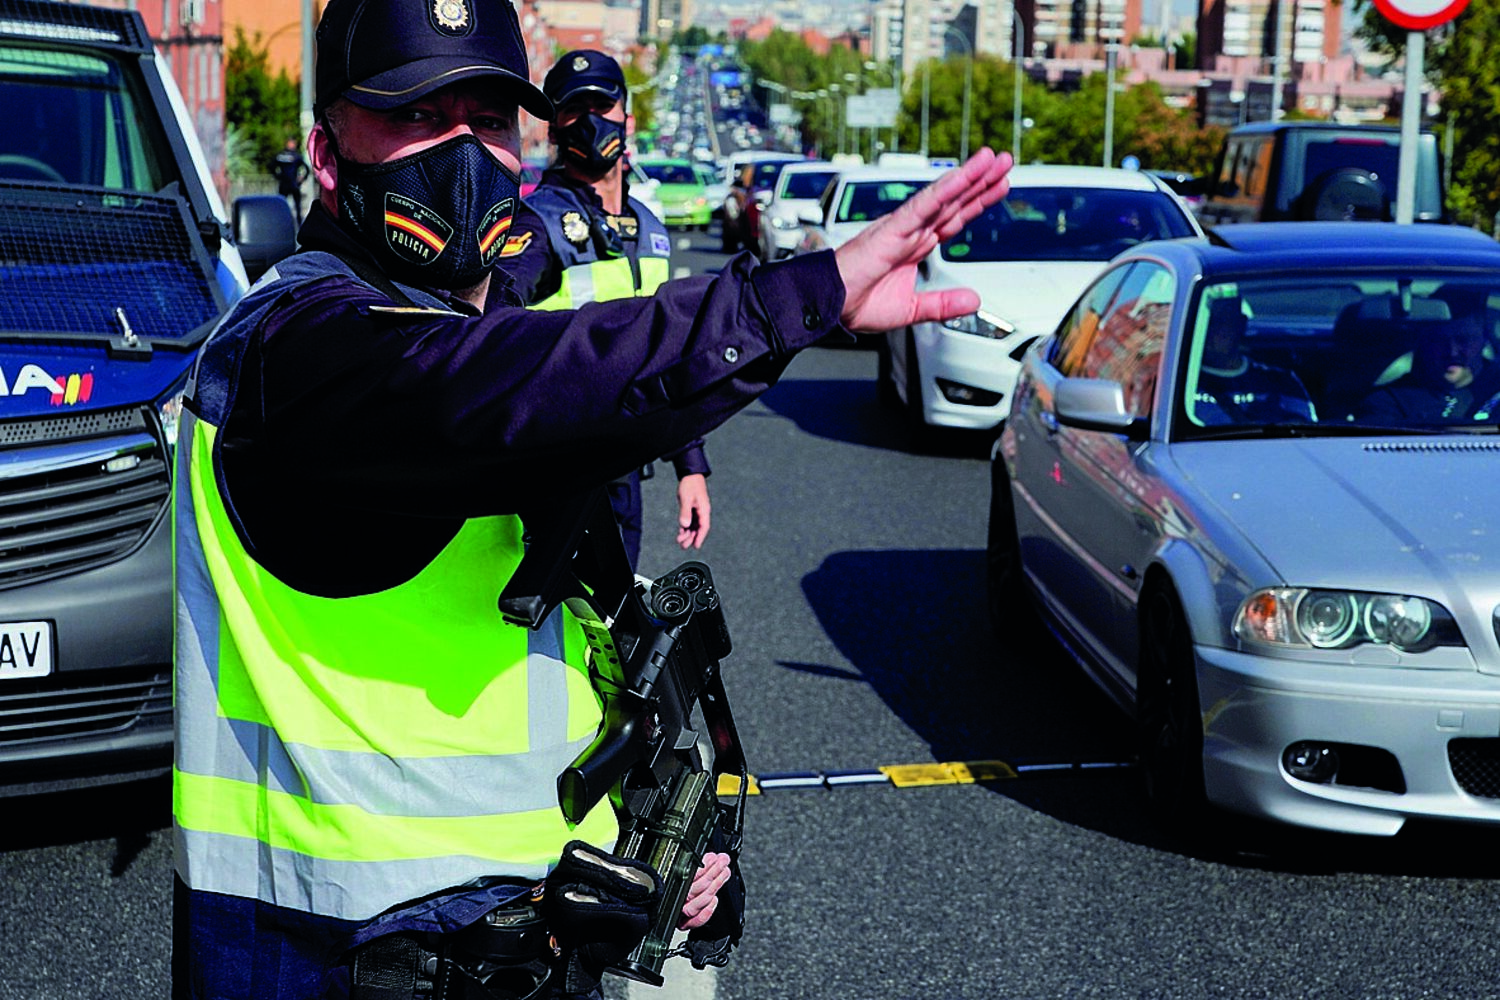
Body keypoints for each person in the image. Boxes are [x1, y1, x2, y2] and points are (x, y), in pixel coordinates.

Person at [170, 0, 1013, 994]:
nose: (462, 154)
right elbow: (494, 387)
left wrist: (664, 850)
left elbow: (565, 656)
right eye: (416, 116)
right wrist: (789, 302)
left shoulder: (483, 330)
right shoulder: (292, 349)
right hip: (329, 960)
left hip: (518, 955)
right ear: (326, 154)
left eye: (489, 120)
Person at [506, 49, 708, 571]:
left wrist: (690, 464)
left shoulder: (650, 230)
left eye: (602, 106)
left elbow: (668, 352)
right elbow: (491, 326)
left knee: (613, 614)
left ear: (627, 119)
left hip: (622, 470)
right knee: (551, 613)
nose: (590, 122)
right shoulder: (536, 225)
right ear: (553, 128)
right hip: (555, 468)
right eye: (574, 110)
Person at [1356, 307, 1500, 423]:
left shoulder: (1496, 389)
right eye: (1439, 341)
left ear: (1483, 341)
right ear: (1423, 344)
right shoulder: (1390, 402)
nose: (1452, 352)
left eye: (1463, 340)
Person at [1192, 296, 1316, 425]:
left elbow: (1305, 431)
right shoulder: (1183, 383)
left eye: (1221, 322)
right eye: (1206, 322)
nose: (1210, 331)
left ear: (1240, 325)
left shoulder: (1281, 382)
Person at [272, 137, 311, 219]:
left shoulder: (281, 155)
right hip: (292, 183)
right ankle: (294, 220)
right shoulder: (295, 156)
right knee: (291, 205)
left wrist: (278, 176)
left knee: (284, 204)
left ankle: (286, 219)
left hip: (287, 183)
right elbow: (306, 169)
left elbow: (271, 166)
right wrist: (302, 179)